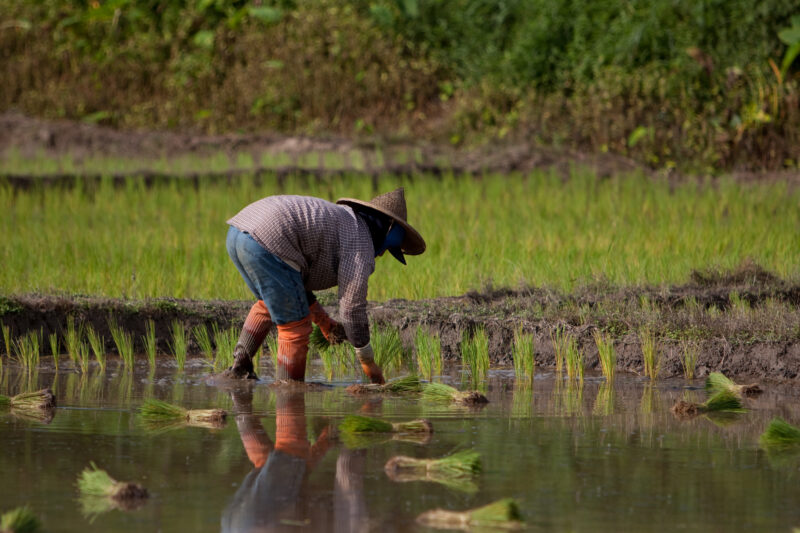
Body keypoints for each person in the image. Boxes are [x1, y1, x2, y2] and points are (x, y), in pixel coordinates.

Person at [220, 187, 425, 383]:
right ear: (386, 230)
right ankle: (289, 390)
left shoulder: (344, 221)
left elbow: (294, 287)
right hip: (267, 240)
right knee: (295, 328)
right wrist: (369, 363)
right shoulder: (361, 243)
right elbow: (352, 309)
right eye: (386, 249)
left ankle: (239, 369)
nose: (380, 254)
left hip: (239, 233)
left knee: (269, 302)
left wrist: (325, 322)